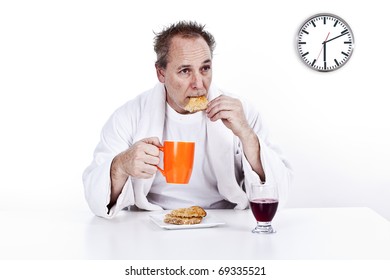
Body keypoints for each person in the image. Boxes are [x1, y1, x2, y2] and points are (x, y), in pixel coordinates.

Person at [83, 21, 292, 218]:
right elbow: (95, 200)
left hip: (226, 221)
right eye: (185, 71)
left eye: (205, 68)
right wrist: (120, 165)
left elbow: (280, 192)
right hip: (151, 221)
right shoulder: (128, 117)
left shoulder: (240, 112)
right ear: (161, 73)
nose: (199, 84)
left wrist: (247, 135)